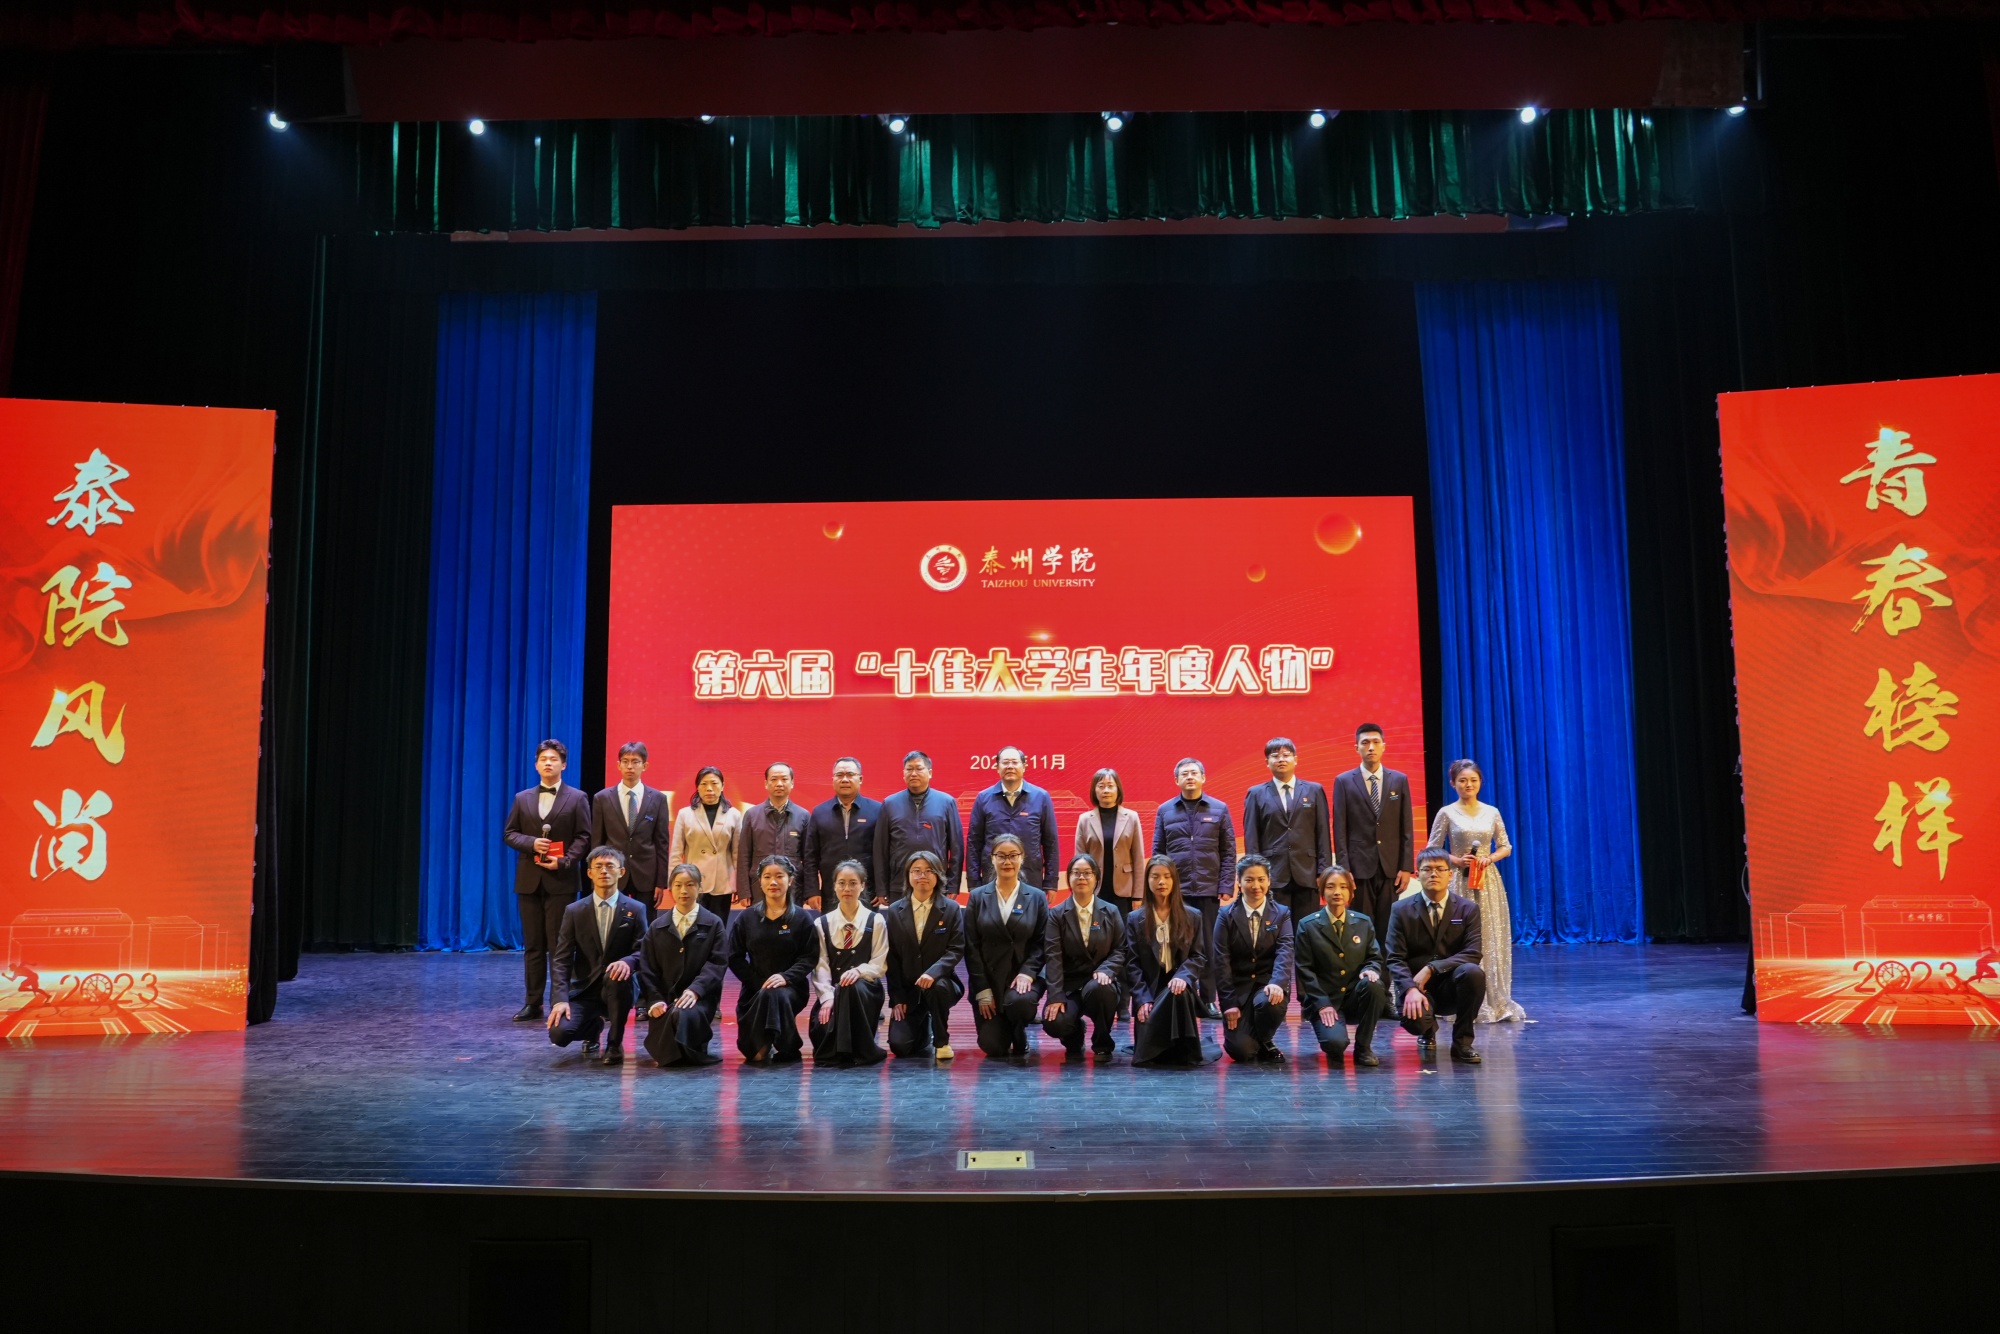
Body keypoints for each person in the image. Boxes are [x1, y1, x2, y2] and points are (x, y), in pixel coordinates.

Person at [1427, 759, 1527, 1024]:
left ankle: (1494, 999)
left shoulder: (1491, 811)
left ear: (1480, 782)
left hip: (1487, 882)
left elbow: (1506, 846)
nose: (1468, 785)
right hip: (1459, 882)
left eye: (1473, 780)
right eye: (1462, 780)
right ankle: (1459, 998)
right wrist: (1456, 860)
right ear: (1453, 783)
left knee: (1489, 936)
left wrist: (1489, 858)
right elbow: (1432, 849)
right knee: (1460, 938)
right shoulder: (1446, 813)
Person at [502, 739, 593, 1022]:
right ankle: (533, 1002)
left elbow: (584, 837)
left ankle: (560, 1000)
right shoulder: (522, 798)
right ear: (536, 764)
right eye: (543, 759)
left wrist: (564, 861)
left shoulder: (577, 797)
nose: (548, 763)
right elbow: (509, 833)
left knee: (559, 945)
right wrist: (532, 843)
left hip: (561, 880)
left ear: (563, 764)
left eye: (554, 759)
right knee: (532, 945)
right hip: (529, 881)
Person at [546, 846, 648, 1065]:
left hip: (619, 986)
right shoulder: (574, 911)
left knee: (617, 976)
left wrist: (627, 962)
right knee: (559, 1034)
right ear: (589, 873)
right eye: (598, 866)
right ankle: (593, 1029)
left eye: (610, 866)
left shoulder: (636, 909)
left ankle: (614, 1043)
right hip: (585, 988)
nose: (604, 871)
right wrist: (559, 1000)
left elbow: (644, 951)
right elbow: (562, 959)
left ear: (621, 872)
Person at [1150, 756, 1236, 1012]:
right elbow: (1158, 852)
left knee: (1207, 946)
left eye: (1194, 773)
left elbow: (1228, 851)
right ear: (1176, 780)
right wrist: (1159, 886)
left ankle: (1208, 1000)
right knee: (1176, 944)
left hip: (1208, 889)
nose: (1189, 777)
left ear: (1203, 778)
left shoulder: (1219, 808)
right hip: (1175, 891)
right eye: (1184, 774)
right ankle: (1181, 998)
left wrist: (1226, 885)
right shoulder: (1165, 810)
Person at [1387, 847, 1486, 1063]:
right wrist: (1410, 989)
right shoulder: (1400, 909)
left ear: (1450, 875)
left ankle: (1462, 1043)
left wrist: (1432, 968)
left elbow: (1472, 953)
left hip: (1451, 985)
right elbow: (1395, 958)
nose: (1434, 874)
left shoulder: (1468, 909)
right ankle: (1427, 1030)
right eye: (1427, 869)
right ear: (1417, 874)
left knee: (1473, 973)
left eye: (1440, 869)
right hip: (1417, 988)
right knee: (1417, 1022)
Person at [722, 855, 819, 1062]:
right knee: (756, 1056)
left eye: (779, 876)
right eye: (767, 877)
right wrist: (758, 982)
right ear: (760, 881)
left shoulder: (802, 918)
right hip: (754, 990)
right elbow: (734, 957)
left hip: (791, 989)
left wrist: (785, 977)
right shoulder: (746, 918)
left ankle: (788, 1046)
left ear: (790, 880)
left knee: (776, 995)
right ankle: (781, 1043)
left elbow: (809, 957)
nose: (773, 882)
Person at [964, 832, 1049, 1057]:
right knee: (993, 1047)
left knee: (1020, 1004)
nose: (1007, 861)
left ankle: (1019, 1028)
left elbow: (1042, 943)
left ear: (1022, 858)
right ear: (992, 859)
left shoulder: (1037, 897)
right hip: (989, 981)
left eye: (1013, 855)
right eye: (1001, 856)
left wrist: (1028, 973)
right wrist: (982, 989)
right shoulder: (977, 897)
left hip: (1021, 980)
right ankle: (1006, 1028)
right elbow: (971, 946)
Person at [1294, 865, 1388, 1067]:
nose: (1337, 892)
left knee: (1374, 985)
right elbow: (1304, 969)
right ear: (1322, 892)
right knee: (1335, 1045)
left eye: (1343, 887)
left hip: (1354, 997)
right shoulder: (1308, 925)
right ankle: (1334, 1033)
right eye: (1331, 886)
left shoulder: (1363, 923)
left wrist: (1370, 970)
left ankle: (1363, 1047)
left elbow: (1374, 957)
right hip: (1325, 999)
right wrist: (1322, 1003)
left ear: (1351, 892)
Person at [636, 864, 727, 1067]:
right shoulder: (656, 927)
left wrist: (695, 990)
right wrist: (655, 1000)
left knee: (681, 1014)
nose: (684, 890)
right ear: (671, 889)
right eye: (678, 885)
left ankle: (687, 1052)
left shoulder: (713, 924)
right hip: (665, 1000)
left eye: (690, 885)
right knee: (672, 1015)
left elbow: (717, 964)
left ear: (700, 888)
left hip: (700, 999)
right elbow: (647, 968)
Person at [1332, 722, 1415, 942]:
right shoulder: (1343, 781)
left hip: (1391, 868)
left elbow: (1406, 826)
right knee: (1360, 926)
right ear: (1356, 747)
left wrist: (1406, 867)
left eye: (1376, 742)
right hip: (1358, 868)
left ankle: (1386, 966)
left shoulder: (1399, 779)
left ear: (1383, 746)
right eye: (1365, 742)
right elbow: (1339, 829)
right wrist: (1344, 868)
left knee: (1388, 927)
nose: (1371, 747)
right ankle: (1362, 965)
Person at [1041, 853, 1127, 1060]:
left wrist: (1106, 970)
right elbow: (1053, 957)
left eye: (1087, 873)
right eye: (1076, 873)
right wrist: (1055, 996)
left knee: (1101, 989)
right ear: (1069, 878)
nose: (1081, 878)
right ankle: (1074, 1034)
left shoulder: (1111, 911)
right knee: (1054, 1023)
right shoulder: (1056, 914)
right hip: (1070, 985)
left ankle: (1102, 1041)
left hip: (1100, 983)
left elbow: (1121, 949)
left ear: (1096, 878)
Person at [883, 849, 966, 1060]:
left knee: (937, 988)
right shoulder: (894, 911)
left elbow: (956, 948)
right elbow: (892, 957)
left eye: (929, 871)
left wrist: (933, 972)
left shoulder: (951, 908)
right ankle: (924, 1028)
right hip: (909, 990)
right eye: (916, 871)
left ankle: (942, 1041)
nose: (922, 875)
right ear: (908, 875)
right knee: (900, 1046)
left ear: (938, 875)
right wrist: (897, 998)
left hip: (942, 985)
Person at [1242, 736, 1332, 929]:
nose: (1281, 759)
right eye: (1275, 756)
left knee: (1307, 930)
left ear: (1295, 759)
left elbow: (1323, 834)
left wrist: (1323, 871)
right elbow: (1252, 838)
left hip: (1308, 874)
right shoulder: (1256, 794)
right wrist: (1256, 875)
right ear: (1267, 762)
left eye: (1286, 755)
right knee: (1276, 931)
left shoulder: (1314, 790)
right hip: (1272, 875)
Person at [1127, 855, 1208, 1067]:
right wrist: (1142, 1000)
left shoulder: (1193, 916)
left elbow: (1198, 956)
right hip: (1150, 990)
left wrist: (1184, 977)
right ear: (1147, 880)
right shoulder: (1135, 919)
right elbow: (1132, 964)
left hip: (1179, 987)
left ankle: (1181, 1050)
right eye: (1155, 876)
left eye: (1167, 876)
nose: (1161, 882)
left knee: (1179, 992)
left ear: (1174, 880)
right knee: (1145, 1056)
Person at [1212, 854, 1294, 1064]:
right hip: (1239, 991)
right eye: (1249, 880)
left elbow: (1285, 952)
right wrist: (1228, 1003)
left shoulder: (1281, 913)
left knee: (1270, 1004)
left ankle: (1266, 1040)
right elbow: (1221, 961)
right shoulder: (1226, 915)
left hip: (1268, 987)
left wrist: (1277, 983)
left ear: (1269, 881)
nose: (1256, 886)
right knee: (1242, 1052)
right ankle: (1258, 1040)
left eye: (1261, 879)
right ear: (1239, 883)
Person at [808, 860, 890, 1065]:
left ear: (862, 886)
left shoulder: (876, 921)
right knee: (822, 1028)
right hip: (833, 991)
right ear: (834, 886)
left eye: (853, 883)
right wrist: (827, 998)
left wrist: (859, 971)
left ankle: (858, 1050)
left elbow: (879, 962)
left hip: (865, 991)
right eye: (842, 883)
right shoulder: (821, 923)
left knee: (851, 987)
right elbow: (820, 965)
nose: (847, 889)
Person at [592, 741, 672, 924]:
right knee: (611, 925)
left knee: (644, 927)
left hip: (646, 876)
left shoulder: (658, 799)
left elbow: (662, 843)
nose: (630, 766)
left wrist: (661, 882)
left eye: (635, 762)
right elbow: (597, 843)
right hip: (612, 873)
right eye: (625, 761)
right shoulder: (602, 798)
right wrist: (596, 876)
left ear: (645, 765)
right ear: (618, 765)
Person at [966, 745, 1059, 892]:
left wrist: (1050, 883)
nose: (1010, 766)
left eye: (1015, 762)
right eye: (1005, 762)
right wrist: (973, 883)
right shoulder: (983, 798)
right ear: (997, 768)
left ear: (1024, 767)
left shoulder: (1041, 797)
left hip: (1030, 879)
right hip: (992, 880)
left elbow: (1050, 842)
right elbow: (974, 843)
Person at [874, 750, 965, 898]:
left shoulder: (946, 802)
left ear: (930, 773)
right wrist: (882, 889)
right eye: (909, 769)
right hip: (900, 884)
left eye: (919, 769)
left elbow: (956, 847)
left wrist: (953, 885)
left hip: (936, 882)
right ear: (903, 773)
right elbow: (880, 849)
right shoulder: (890, 804)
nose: (913, 774)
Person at [803, 757, 884, 907]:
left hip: (867, 892)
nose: (845, 779)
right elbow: (810, 857)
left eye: (850, 774)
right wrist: (812, 890)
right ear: (833, 779)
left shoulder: (877, 810)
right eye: (839, 775)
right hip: (830, 892)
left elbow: (883, 854)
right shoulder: (819, 812)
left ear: (860, 779)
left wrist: (882, 888)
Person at [670, 765, 742, 929]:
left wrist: (738, 884)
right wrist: (674, 881)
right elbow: (676, 852)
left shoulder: (734, 815)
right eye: (704, 784)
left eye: (714, 783)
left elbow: (737, 853)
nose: (709, 788)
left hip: (722, 883)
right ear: (697, 787)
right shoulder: (685, 814)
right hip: (692, 881)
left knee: (718, 928)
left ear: (722, 786)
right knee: (693, 929)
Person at [1073, 767, 1146, 919]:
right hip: (1094, 889)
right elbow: (1079, 860)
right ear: (1094, 790)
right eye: (1101, 786)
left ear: (1118, 789)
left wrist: (1138, 895)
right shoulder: (1084, 819)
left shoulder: (1132, 817)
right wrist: (1080, 892)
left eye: (1110, 786)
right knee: (1096, 931)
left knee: (1124, 932)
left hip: (1124, 892)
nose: (1106, 790)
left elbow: (1138, 859)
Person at [734, 763, 810, 907]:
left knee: (791, 921)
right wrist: (743, 891)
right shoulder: (752, 815)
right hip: (759, 887)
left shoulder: (803, 816)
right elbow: (743, 855)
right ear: (766, 784)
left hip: (793, 888)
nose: (779, 784)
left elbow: (808, 858)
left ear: (792, 783)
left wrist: (810, 891)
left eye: (784, 779)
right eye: (774, 779)